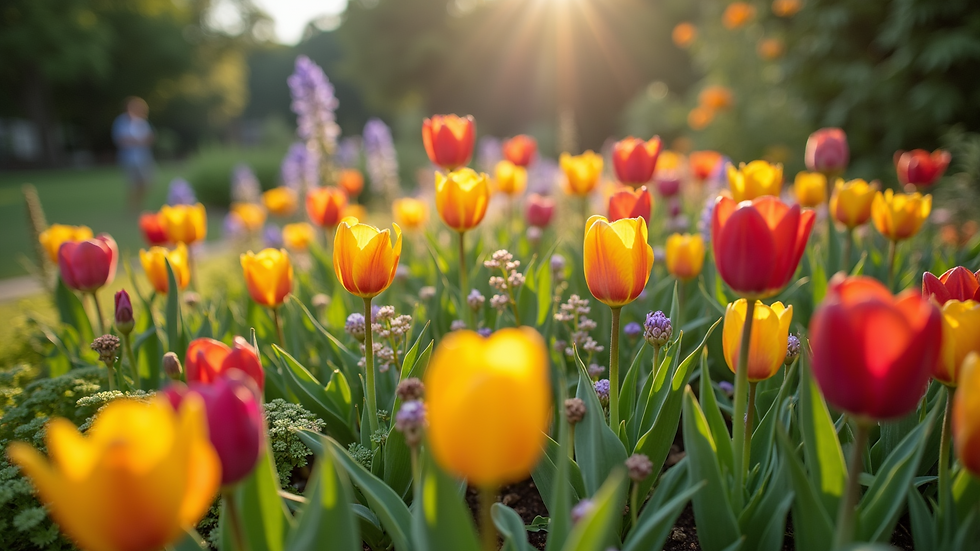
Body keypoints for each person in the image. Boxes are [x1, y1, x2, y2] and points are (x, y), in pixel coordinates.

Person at [112, 97, 155, 211]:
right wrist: (136, 141)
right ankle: (132, 207)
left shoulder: (142, 122)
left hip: (144, 157)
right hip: (129, 158)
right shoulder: (121, 121)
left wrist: (142, 141)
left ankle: (139, 203)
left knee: (147, 182)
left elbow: (150, 137)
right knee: (132, 183)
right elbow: (120, 139)